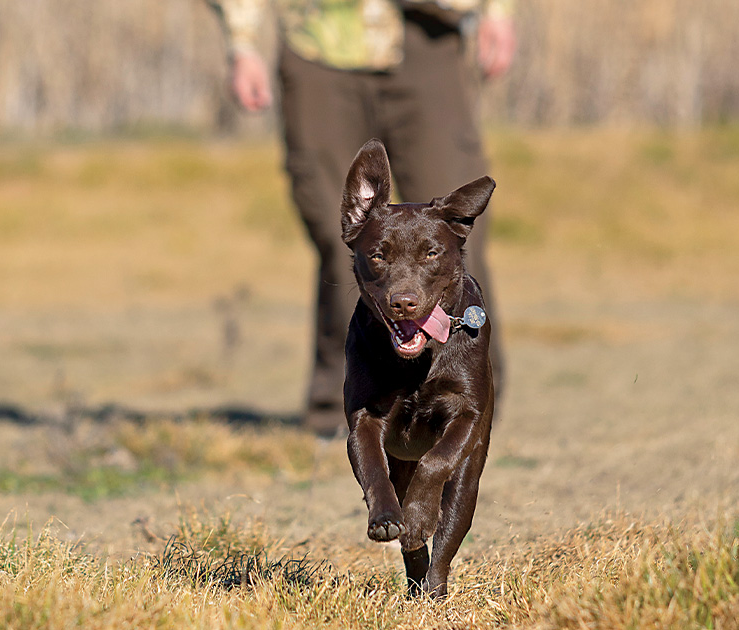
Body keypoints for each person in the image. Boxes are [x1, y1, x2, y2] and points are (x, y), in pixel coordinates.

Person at [207, 0, 515, 436]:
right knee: (346, 244)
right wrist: (244, 44)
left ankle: (469, 405)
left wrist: (498, 12)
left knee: (454, 240)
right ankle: (343, 409)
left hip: (427, 38)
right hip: (321, 45)